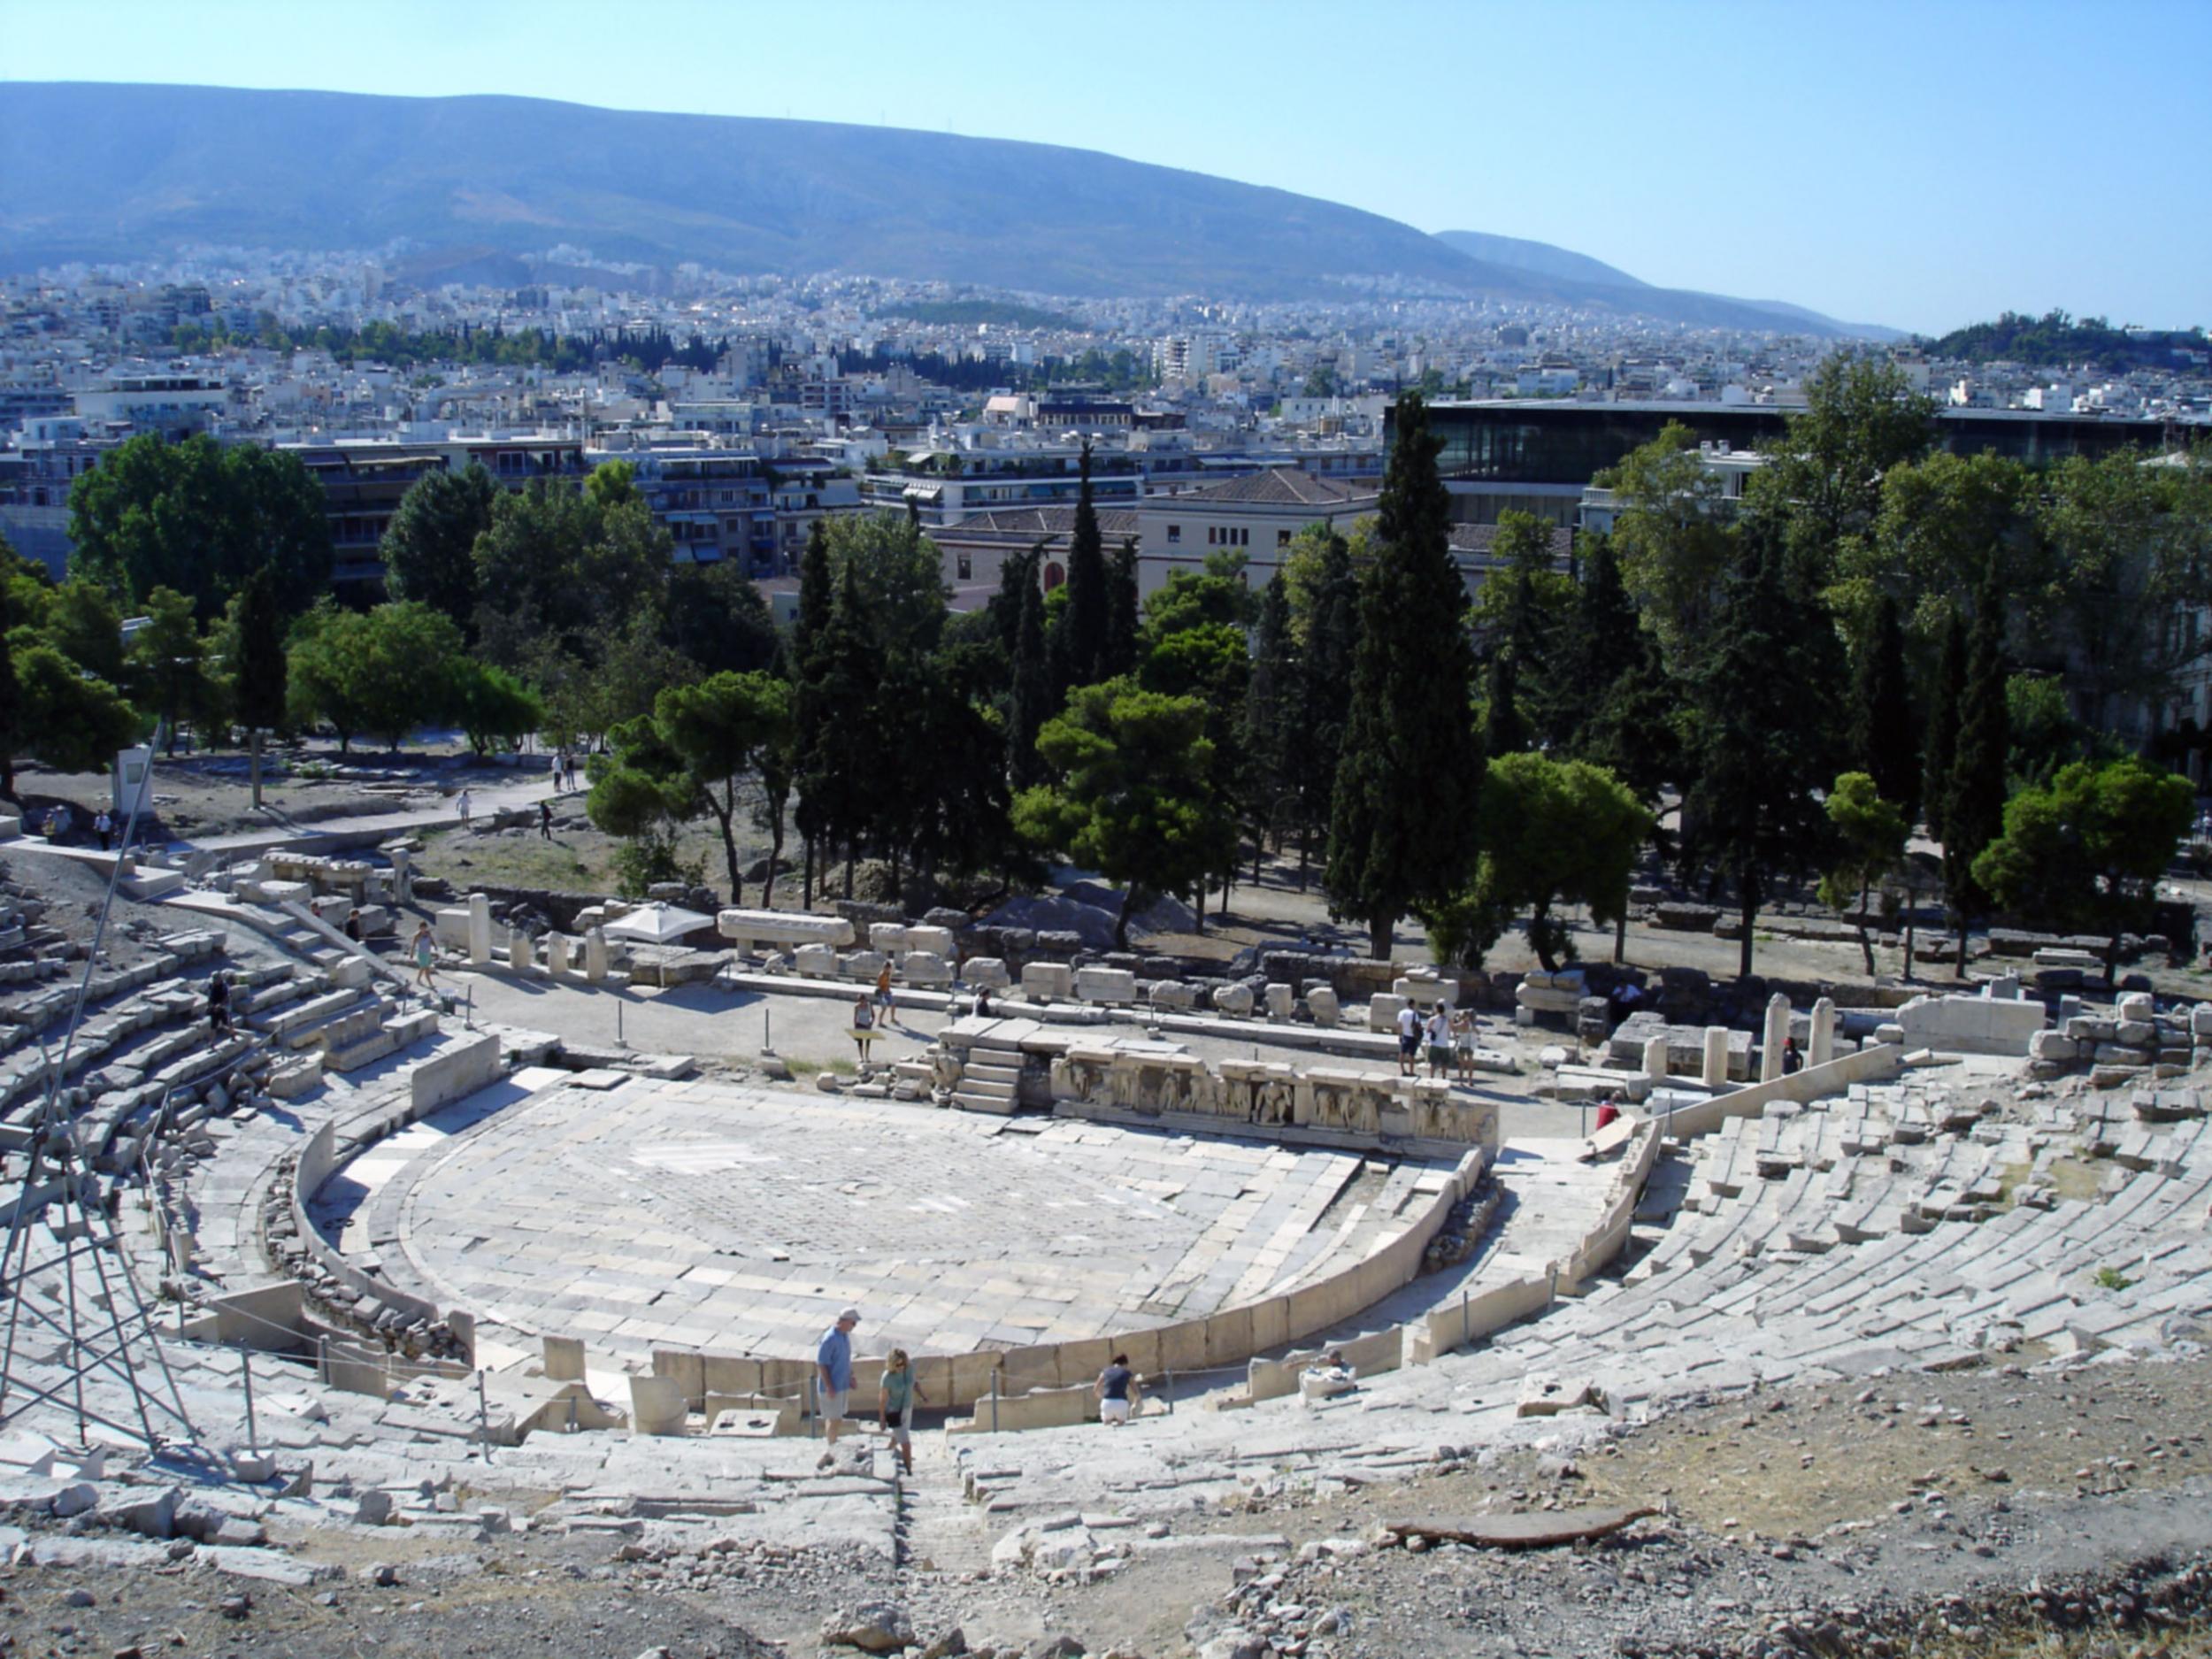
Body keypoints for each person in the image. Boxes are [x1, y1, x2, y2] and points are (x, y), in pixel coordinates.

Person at [816, 1307, 859, 1464]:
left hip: (842, 1384)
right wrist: (829, 1386)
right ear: (845, 1321)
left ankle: (832, 1444)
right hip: (832, 1386)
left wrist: (851, 1376)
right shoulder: (830, 1338)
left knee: (837, 1418)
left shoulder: (844, 1337)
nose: (854, 1326)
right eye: (853, 1323)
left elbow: (846, 1359)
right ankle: (831, 1448)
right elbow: (822, 1364)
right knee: (833, 1419)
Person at [878, 1347, 925, 1476]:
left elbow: (914, 1383)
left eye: (903, 1363)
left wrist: (922, 1395)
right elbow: (883, 1399)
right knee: (906, 1443)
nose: (901, 1367)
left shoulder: (909, 1368)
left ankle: (887, 1452)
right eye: (898, 1365)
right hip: (893, 1412)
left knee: (899, 1436)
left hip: (908, 1408)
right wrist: (882, 1418)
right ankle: (909, 1471)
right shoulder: (887, 1377)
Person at [1095, 1353, 1135, 1427]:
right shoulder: (1127, 1373)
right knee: (1121, 1424)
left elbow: (1096, 1389)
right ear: (1125, 1363)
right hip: (1121, 1403)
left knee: (1106, 1423)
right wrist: (1134, 1405)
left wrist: (1102, 1399)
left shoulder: (1105, 1372)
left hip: (1107, 1403)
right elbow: (1136, 1393)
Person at [1425, 1003, 1453, 1080]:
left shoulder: (1432, 1019)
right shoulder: (1448, 1020)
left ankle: (1432, 1077)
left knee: (1433, 1062)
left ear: (1437, 1009)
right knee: (1444, 1063)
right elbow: (1451, 1029)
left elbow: (1427, 1030)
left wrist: (1433, 1031)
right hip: (1444, 1044)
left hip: (1435, 1043)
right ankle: (1443, 1077)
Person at [1395, 1002, 1421, 1078]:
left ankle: (1403, 1070)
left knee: (1402, 1053)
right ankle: (1411, 1072)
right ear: (1413, 1005)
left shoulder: (1401, 1013)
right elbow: (1418, 1025)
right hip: (1413, 1037)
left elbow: (1399, 1025)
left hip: (1405, 1035)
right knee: (1412, 1055)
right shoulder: (1414, 1014)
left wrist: (1399, 1035)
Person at [1452, 1006, 1477, 1083]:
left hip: (1462, 1045)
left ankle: (1461, 1080)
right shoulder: (1470, 1025)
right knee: (1470, 1063)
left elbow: (1453, 1028)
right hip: (1469, 1045)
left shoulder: (1460, 1024)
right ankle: (1470, 1080)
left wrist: (1455, 1035)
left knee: (1461, 1064)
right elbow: (1478, 1032)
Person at [411, 922, 437, 990]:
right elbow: (413, 945)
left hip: (427, 953)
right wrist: (411, 953)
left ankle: (418, 980)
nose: (423, 929)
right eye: (422, 928)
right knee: (426, 969)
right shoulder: (417, 935)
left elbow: (431, 940)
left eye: (425, 928)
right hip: (422, 954)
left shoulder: (428, 933)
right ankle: (430, 984)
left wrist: (435, 945)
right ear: (420, 928)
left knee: (422, 968)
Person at [206, 971, 230, 1037]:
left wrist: (220, 1005)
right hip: (214, 1007)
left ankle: (233, 1035)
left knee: (227, 1024)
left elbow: (226, 998)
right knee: (213, 1026)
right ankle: (211, 1043)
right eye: (214, 979)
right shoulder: (211, 985)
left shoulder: (224, 986)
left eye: (216, 979)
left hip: (223, 1007)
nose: (214, 981)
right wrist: (209, 1005)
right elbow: (210, 996)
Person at [851, 994, 876, 1058]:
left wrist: (871, 1023)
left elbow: (873, 1016)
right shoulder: (857, 1007)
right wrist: (855, 1028)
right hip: (859, 1024)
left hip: (867, 1025)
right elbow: (855, 1018)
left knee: (868, 1042)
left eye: (863, 1001)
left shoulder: (869, 1005)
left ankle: (867, 1056)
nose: (862, 1003)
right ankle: (861, 1057)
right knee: (860, 1042)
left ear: (865, 1000)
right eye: (860, 1001)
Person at [874, 960, 895, 1025]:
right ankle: (880, 1022)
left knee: (893, 1005)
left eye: (888, 968)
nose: (887, 969)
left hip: (888, 992)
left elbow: (888, 983)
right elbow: (878, 984)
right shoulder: (882, 975)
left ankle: (892, 1018)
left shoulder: (888, 974)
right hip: (882, 994)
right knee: (884, 1008)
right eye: (886, 968)